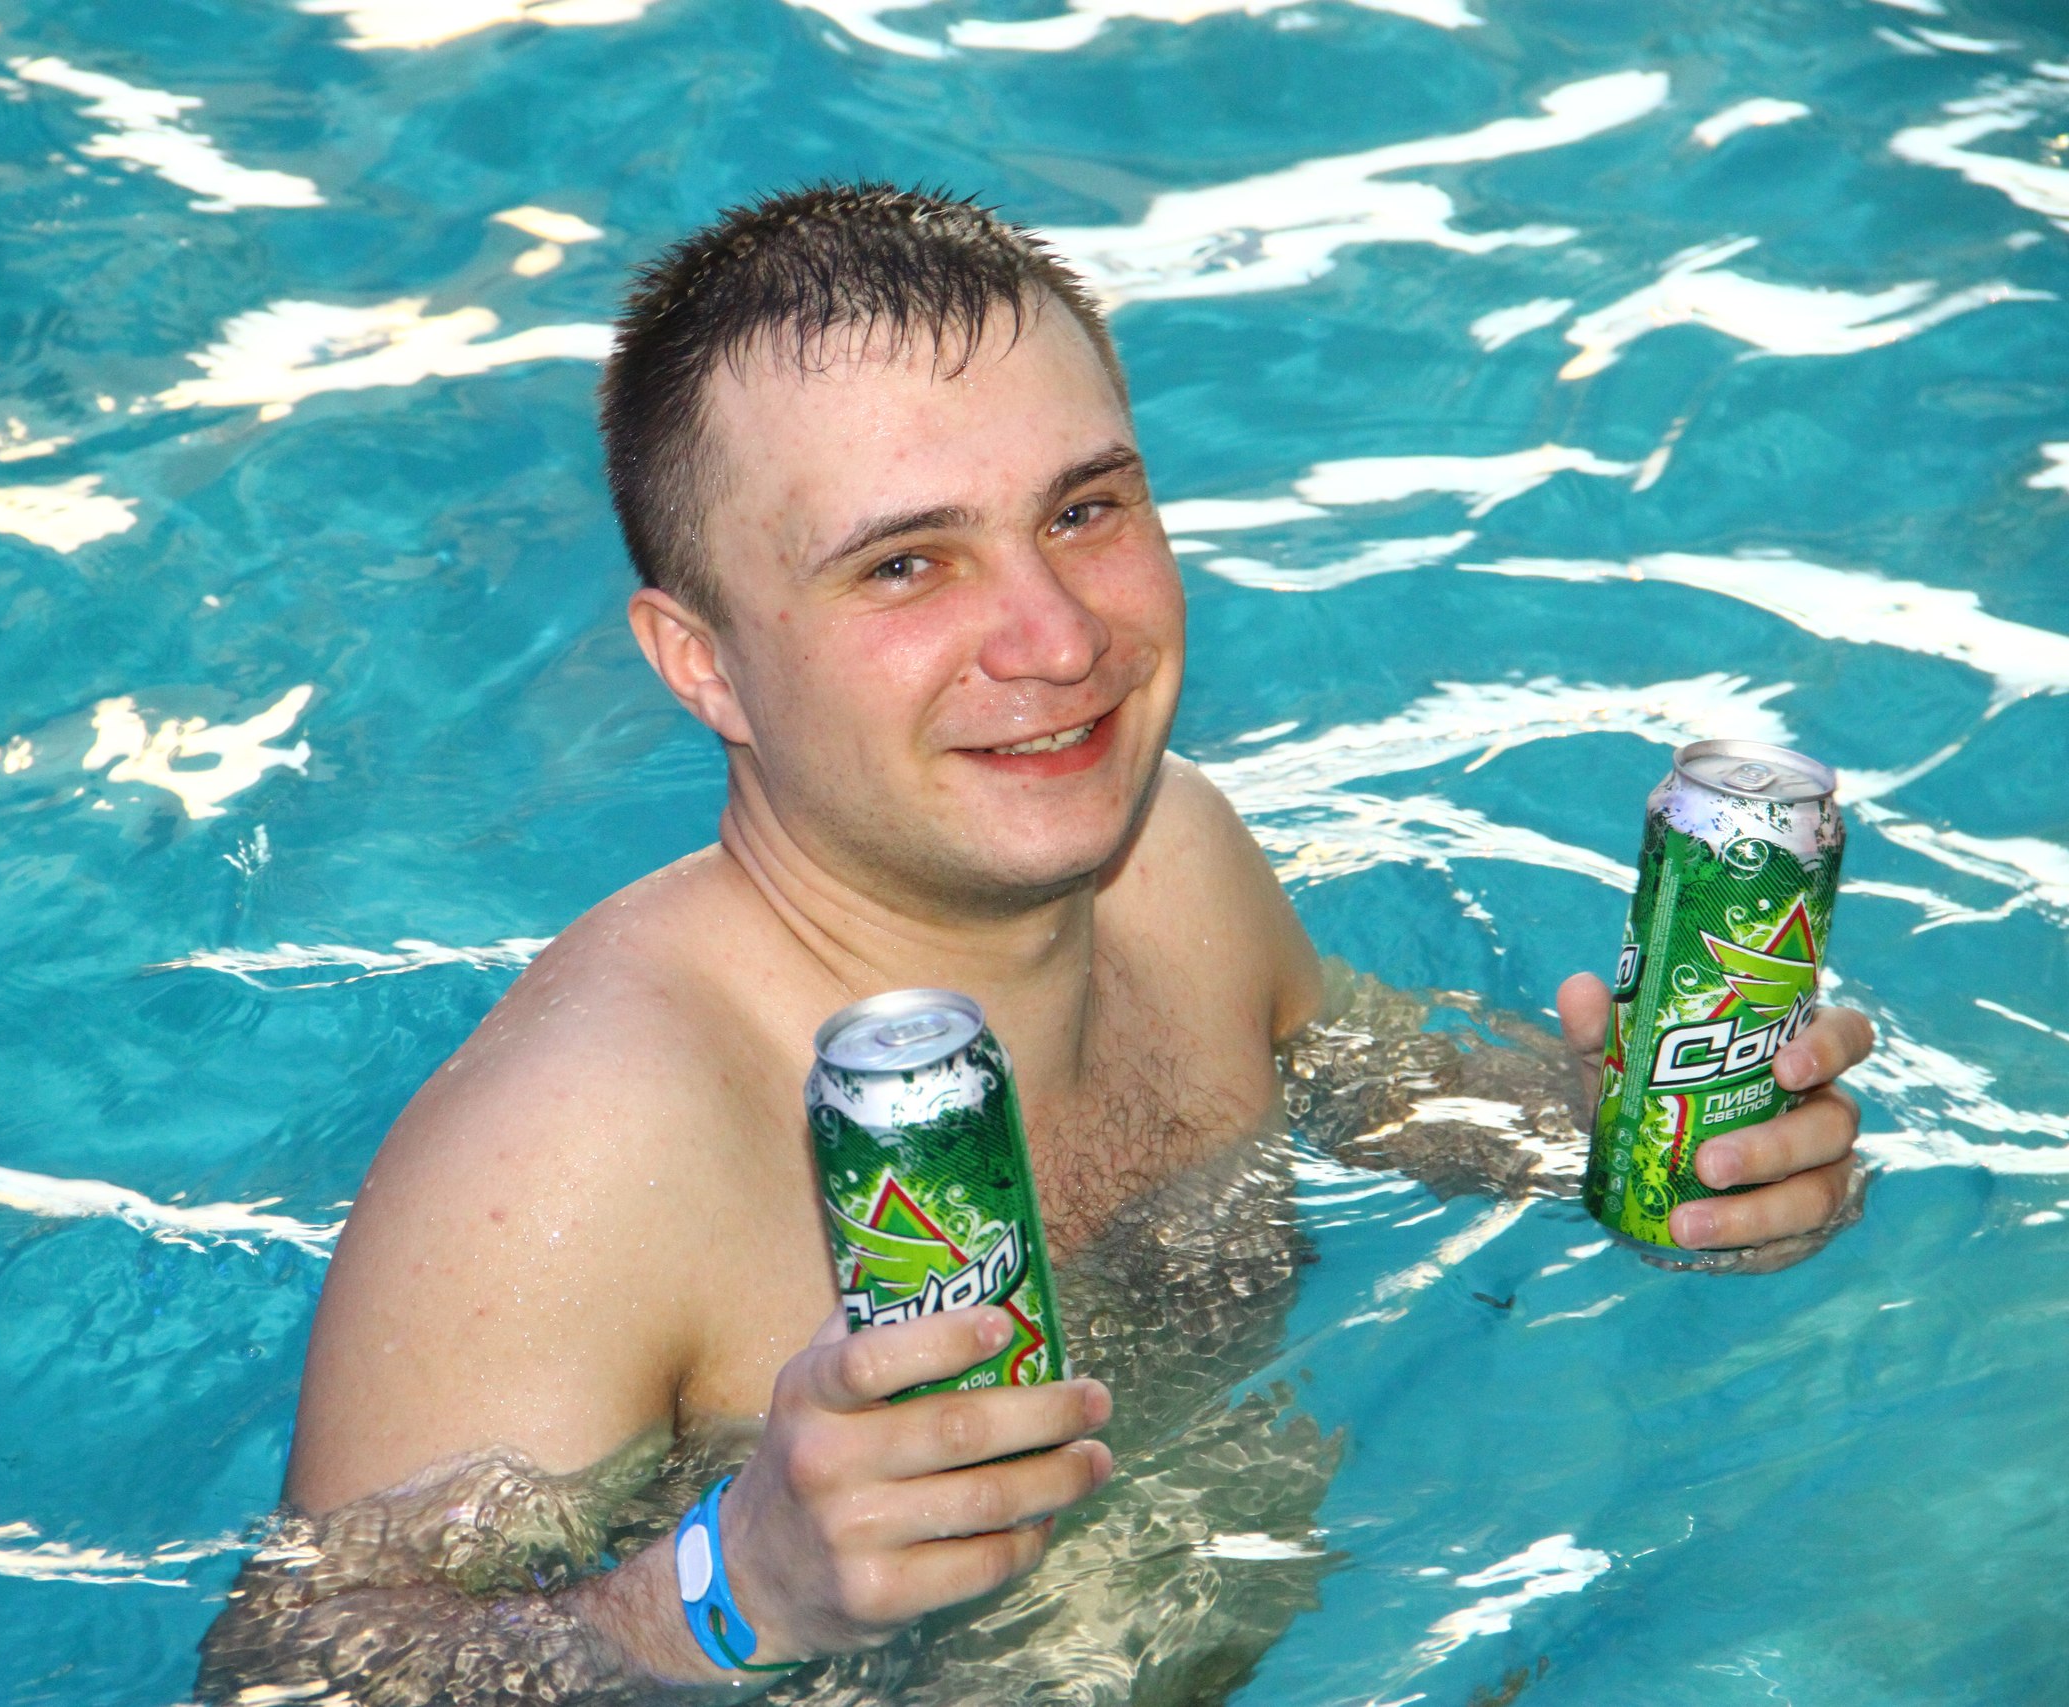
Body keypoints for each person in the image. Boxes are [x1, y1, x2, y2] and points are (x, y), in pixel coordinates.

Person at [198, 184, 1871, 1704]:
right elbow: (286, 1681)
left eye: (1083, 512)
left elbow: (1386, 1089)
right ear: (702, 664)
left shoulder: (1175, 862)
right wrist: (725, 1591)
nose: (1057, 640)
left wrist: (1648, 1144)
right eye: (904, 564)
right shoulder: (579, 1153)